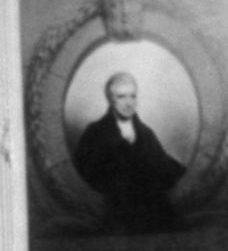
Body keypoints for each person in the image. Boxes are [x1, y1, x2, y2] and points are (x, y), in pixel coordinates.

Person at [72, 72, 187, 234]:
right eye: (122, 97)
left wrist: (186, 175)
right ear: (111, 99)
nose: (129, 103)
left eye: (133, 96)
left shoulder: (146, 133)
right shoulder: (95, 132)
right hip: (113, 216)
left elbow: (163, 164)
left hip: (152, 216)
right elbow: (85, 173)